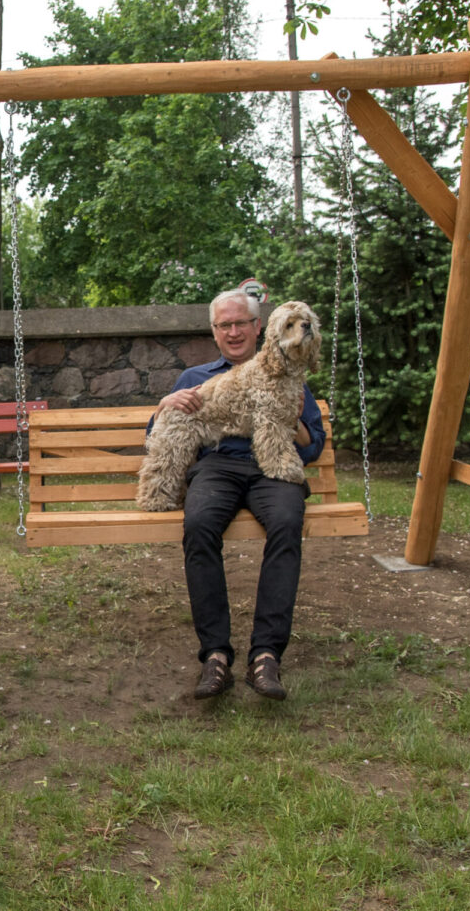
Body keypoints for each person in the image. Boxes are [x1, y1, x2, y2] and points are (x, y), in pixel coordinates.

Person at [152, 287, 325, 700]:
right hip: (216, 467)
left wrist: (293, 417)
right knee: (198, 525)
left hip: (272, 471)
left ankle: (266, 655)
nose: (233, 332)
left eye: (241, 323)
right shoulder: (194, 379)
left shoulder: (291, 375)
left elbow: (313, 444)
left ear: (258, 327)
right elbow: (159, 436)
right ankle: (216, 655)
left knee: (287, 523)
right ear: (214, 332)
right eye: (224, 325)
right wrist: (163, 404)